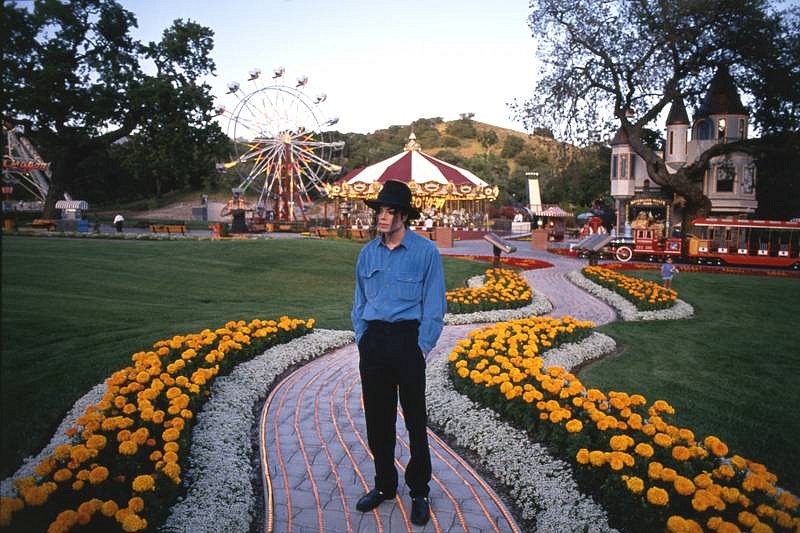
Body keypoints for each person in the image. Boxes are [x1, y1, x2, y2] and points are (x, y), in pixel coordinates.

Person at [351, 180, 446, 526]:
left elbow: (435, 305)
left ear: (403, 215)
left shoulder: (426, 253)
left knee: (415, 421)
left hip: (408, 343)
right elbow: (359, 300)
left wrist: (421, 347)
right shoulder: (368, 254)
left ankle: (419, 490)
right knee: (378, 420)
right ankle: (384, 486)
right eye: (380, 210)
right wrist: (363, 336)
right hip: (373, 343)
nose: (382, 216)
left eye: (390, 211)